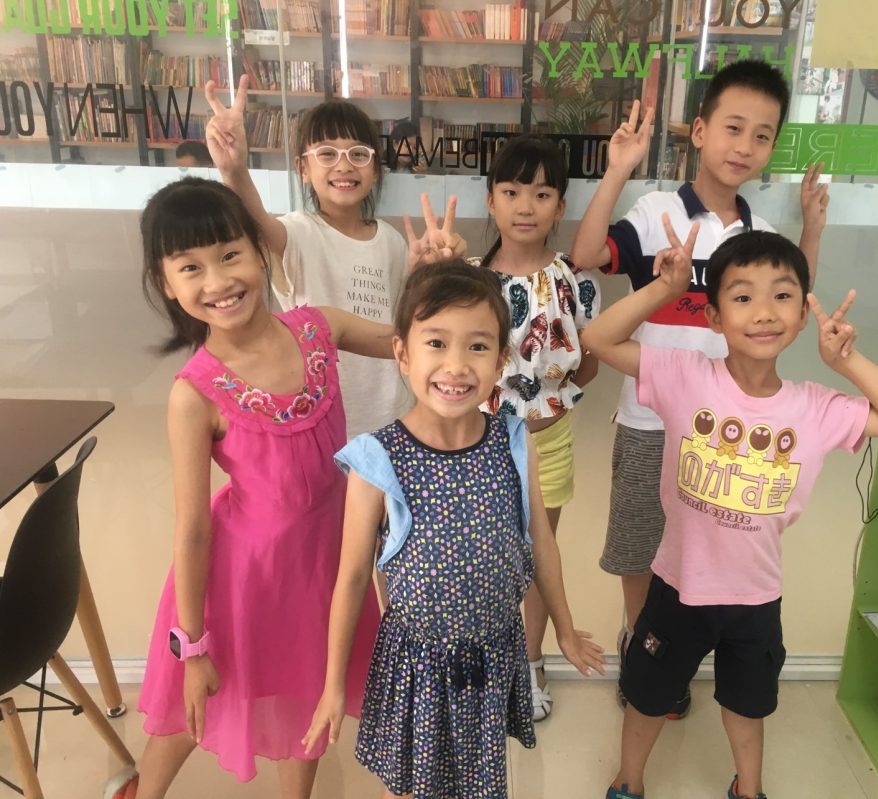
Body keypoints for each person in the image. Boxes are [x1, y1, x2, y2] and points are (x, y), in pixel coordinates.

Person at [582, 221, 878, 799]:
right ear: (714, 317)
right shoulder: (683, 375)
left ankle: (750, 789)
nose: (764, 311)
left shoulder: (813, 407)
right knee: (647, 697)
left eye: (783, 295)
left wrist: (846, 363)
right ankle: (629, 781)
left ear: (800, 316)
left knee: (748, 706)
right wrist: (662, 290)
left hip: (755, 597)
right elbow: (597, 338)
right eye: (743, 296)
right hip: (676, 587)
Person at [105, 177, 387, 799]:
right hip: (239, 583)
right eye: (190, 267)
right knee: (192, 709)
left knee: (307, 693)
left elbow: (415, 345)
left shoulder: (321, 330)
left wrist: (439, 278)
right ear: (167, 284)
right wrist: (194, 643)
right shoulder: (194, 393)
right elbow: (193, 528)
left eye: (229, 254)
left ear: (258, 251)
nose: (218, 281)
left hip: (322, 567)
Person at [570, 60, 830, 717]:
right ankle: (643, 641)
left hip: (722, 433)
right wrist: (618, 168)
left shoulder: (759, 233)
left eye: (762, 134)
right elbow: (586, 255)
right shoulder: (656, 211)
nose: (745, 146)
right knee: (639, 544)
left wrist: (810, 234)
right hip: (651, 418)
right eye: (733, 127)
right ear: (700, 130)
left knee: (703, 544)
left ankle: (678, 648)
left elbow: (788, 309)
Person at [301, 260, 606, 799]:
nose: (457, 365)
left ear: (502, 358)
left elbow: (540, 542)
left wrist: (563, 626)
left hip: (492, 652)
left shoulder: (514, 440)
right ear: (402, 353)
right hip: (417, 662)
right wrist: (331, 687)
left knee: (480, 781)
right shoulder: (378, 459)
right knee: (413, 787)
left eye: (478, 346)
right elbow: (351, 580)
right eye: (436, 343)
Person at [204, 75, 465, 438]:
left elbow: (405, 319)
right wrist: (234, 169)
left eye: (358, 154)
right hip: (321, 417)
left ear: (375, 171)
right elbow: (254, 222)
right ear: (303, 170)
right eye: (327, 154)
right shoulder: (296, 232)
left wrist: (429, 272)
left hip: (391, 412)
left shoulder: (390, 240)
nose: (344, 166)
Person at [468, 134, 600, 722]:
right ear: (491, 201)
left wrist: (551, 404)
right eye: (512, 191)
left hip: (548, 440)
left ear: (560, 206)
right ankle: (481, 665)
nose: (525, 205)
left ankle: (530, 661)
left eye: (542, 193)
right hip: (479, 446)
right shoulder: (468, 279)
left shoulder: (575, 280)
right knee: (483, 558)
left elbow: (588, 359)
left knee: (538, 557)